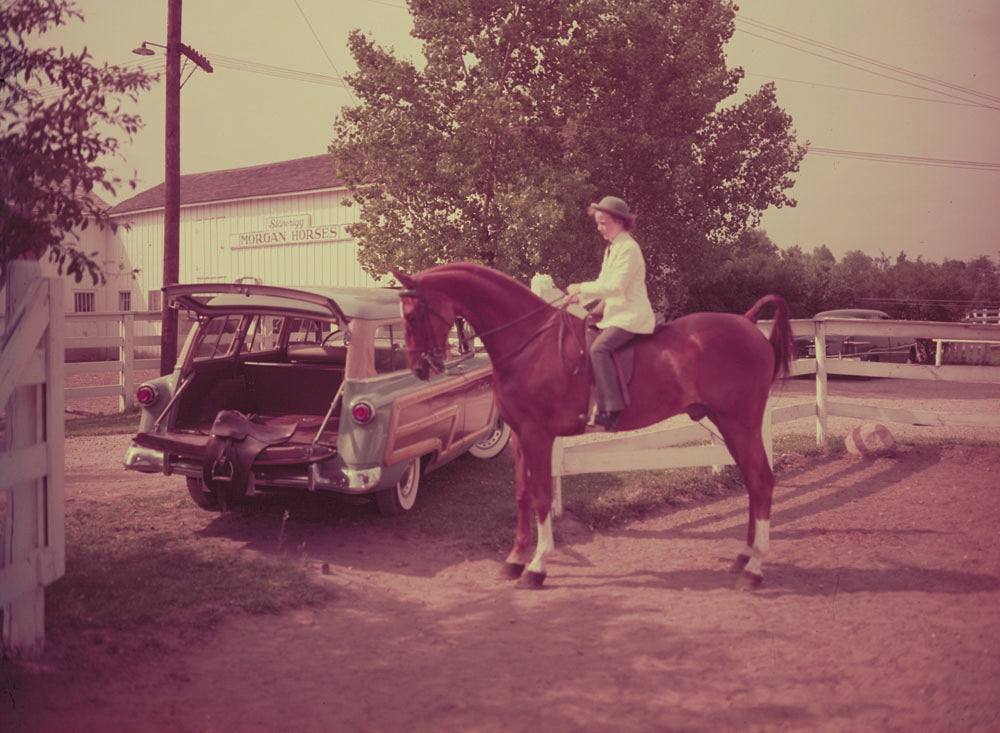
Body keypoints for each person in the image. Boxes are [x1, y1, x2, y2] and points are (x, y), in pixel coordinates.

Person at [566, 196, 655, 432]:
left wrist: (581, 287)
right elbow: (603, 283)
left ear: (619, 221)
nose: (599, 228)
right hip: (615, 313)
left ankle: (611, 410)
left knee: (599, 348)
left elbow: (615, 286)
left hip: (630, 316)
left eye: (603, 222)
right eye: (598, 223)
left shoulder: (629, 248)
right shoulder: (613, 247)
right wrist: (579, 298)